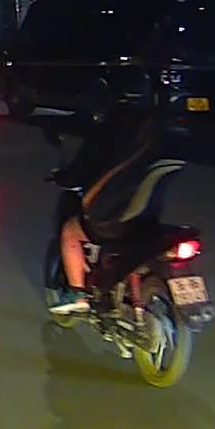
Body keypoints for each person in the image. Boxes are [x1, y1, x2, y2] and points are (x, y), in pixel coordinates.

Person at [49, 24, 172, 314]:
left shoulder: (107, 133)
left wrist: (64, 177)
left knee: (70, 232)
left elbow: (79, 172)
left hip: (115, 218)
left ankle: (78, 295)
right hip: (148, 217)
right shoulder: (156, 130)